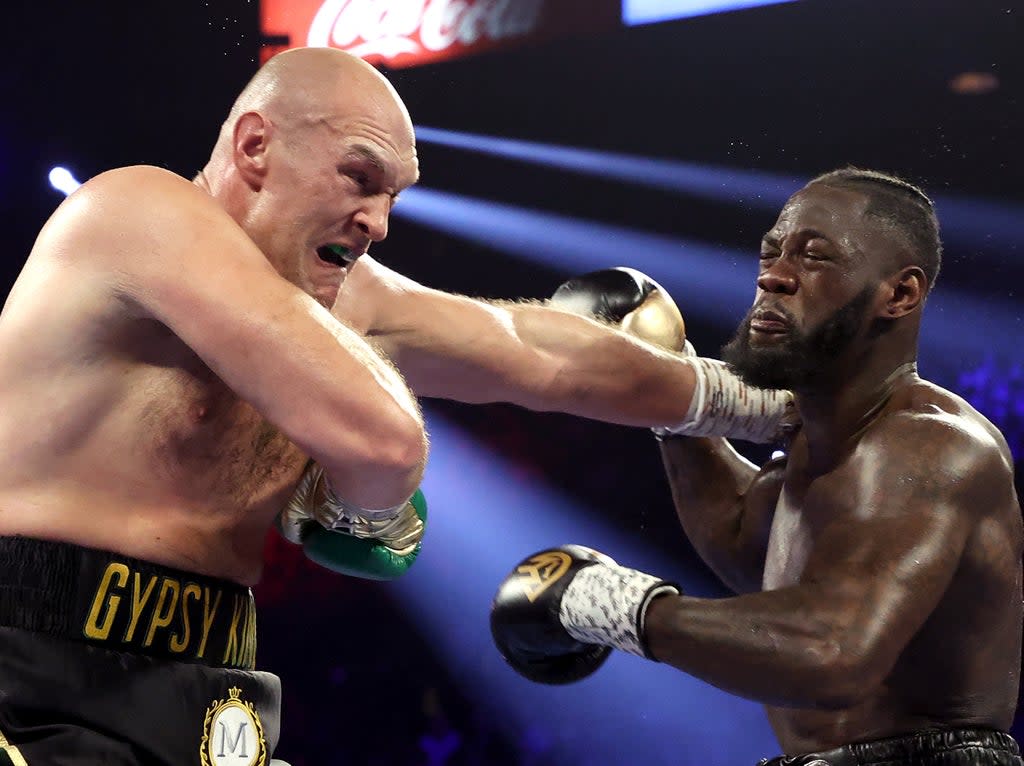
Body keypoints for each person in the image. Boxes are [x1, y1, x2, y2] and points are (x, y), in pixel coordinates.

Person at [0, 46, 792, 764]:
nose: (378, 222)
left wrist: (763, 406)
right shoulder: (136, 212)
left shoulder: (346, 297)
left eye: (393, 196)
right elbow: (383, 443)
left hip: (214, 683)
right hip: (29, 667)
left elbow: (534, 349)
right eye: (359, 177)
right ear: (254, 147)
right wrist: (361, 500)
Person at [490, 169, 1024, 766]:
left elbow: (831, 650)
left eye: (814, 257)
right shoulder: (822, 447)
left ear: (898, 295)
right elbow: (747, 546)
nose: (773, 276)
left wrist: (605, 601)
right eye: (771, 252)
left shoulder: (927, 446)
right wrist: (664, 391)